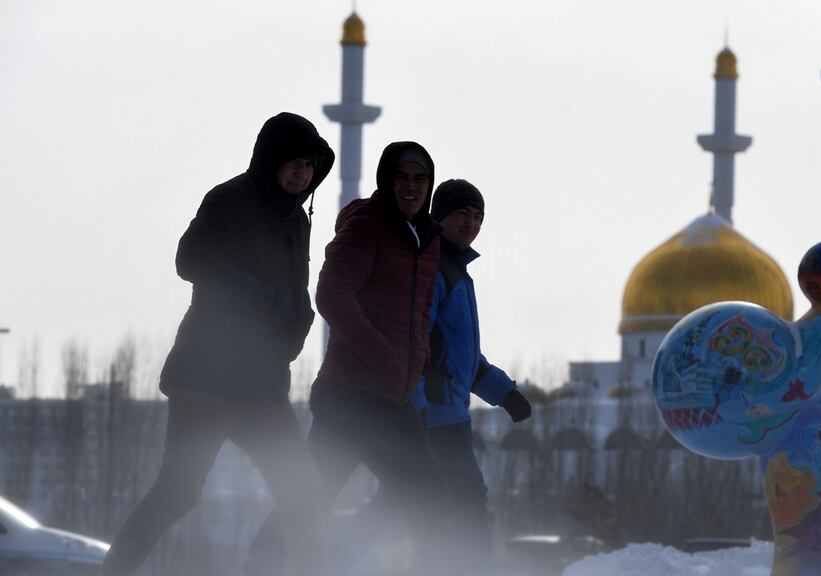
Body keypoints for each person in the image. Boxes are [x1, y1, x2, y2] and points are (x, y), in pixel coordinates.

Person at [99, 112, 334, 576]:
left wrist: (298, 323)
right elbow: (190, 258)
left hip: (263, 388)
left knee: (302, 494)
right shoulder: (230, 200)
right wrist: (260, 300)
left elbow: (294, 288)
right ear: (269, 161)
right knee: (178, 493)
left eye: (308, 166)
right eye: (291, 163)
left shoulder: (296, 219)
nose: (300, 173)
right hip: (207, 381)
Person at [307, 141, 450, 573]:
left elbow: (422, 308)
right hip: (350, 396)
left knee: (430, 504)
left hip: (392, 399)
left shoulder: (427, 238)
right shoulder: (367, 226)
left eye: (420, 179)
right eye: (402, 178)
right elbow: (332, 295)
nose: (411, 187)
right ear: (386, 181)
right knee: (309, 501)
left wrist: (418, 358)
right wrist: (384, 359)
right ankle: (264, 564)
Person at [411, 178, 532, 574]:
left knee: (410, 502)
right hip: (433, 416)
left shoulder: (457, 274)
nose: (471, 222)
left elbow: (461, 356)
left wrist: (505, 393)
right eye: (462, 213)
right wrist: (415, 407)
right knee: (463, 500)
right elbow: (416, 344)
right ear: (440, 217)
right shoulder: (433, 270)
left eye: (478, 216)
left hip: (449, 414)